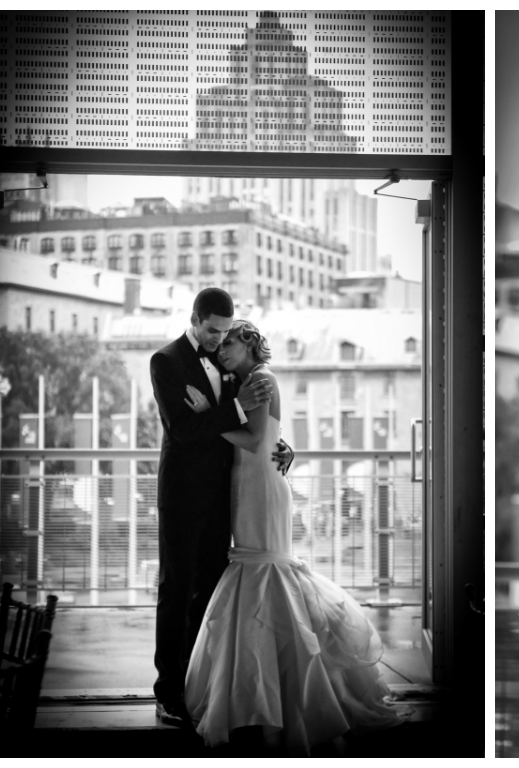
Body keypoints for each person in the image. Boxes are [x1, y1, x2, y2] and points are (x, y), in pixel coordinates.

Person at [181, 320, 403, 755]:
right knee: (260, 569)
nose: (221, 348)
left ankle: (282, 694)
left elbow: (254, 439)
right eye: (220, 341)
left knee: (263, 568)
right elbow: (271, 439)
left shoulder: (261, 379)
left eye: (229, 341)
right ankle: (266, 689)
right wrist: (280, 445)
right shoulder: (244, 381)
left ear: (248, 344)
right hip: (251, 484)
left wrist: (208, 418)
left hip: (260, 488)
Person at [149, 288, 293, 726]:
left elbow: (254, 425)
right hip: (183, 495)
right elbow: (183, 430)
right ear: (194, 319)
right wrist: (229, 408)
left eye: (225, 333)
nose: (218, 340)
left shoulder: (229, 363)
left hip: (226, 497)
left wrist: (281, 445)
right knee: (176, 588)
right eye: (212, 331)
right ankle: (167, 690)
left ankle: (200, 683)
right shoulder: (166, 362)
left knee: (210, 593)